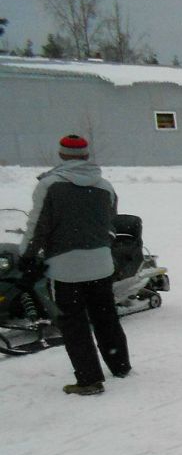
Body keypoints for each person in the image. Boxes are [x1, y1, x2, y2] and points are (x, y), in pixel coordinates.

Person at [21, 134, 131, 395]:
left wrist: (27, 256)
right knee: (106, 317)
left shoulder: (49, 185)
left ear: (61, 155)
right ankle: (120, 365)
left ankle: (89, 379)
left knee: (74, 324)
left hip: (66, 268)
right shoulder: (105, 186)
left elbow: (37, 226)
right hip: (101, 264)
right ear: (85, 155)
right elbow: (110, 222)